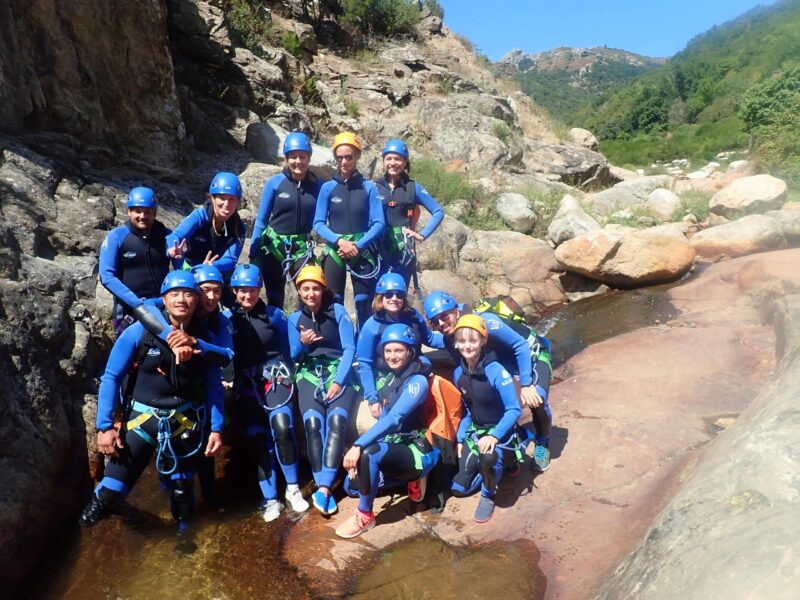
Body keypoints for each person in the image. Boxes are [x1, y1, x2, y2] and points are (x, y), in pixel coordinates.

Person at [79, 271, 225, 532]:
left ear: (197, 300)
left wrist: (216, 428)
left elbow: (214, 385)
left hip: (182, 423)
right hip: (141, 423)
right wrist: (104, 427)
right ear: (164, 299)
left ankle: (184, 551)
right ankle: (84, 538)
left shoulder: (204, 340)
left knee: (183, 499)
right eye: (174, 294)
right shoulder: (139, 332)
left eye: (189, 294)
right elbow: (112, 377)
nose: (182, 300)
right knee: (109, 495)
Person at [424, 290, 553, 471]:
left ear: (455, 311)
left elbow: (520, 345)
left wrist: (526, 384)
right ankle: (517, 436)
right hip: (506, 364)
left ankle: (542, 444)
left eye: (444, 316)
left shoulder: (486, 321)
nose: (441, 323)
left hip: (532, 354)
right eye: (434, 322)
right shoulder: (449, 339)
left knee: (536, 400)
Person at [336, 324, 440, 538]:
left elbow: (394, 419)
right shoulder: (390, 379)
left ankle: (365, 516)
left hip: (416, 451)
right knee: (352, 486)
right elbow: (384, 420)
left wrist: (358, 446)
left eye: (399, 350)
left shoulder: (417, 381)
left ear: (410, 351)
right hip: (394, 448)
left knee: (369, 454)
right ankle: (407, 482)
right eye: (388, 350)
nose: (392, 356)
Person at [228, 264, 309, 521]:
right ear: (234, 291)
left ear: (259, 289)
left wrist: (297, 361)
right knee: (257, 437)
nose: (247, 296)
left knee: (282, 427)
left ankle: (293, 489)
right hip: (247, 384)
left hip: (276, 378)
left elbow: (289, 350)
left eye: (251, 290)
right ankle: (270, 497)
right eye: (242, 291)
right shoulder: (228, 320)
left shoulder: (274, 315)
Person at [287, 265, 358, 515]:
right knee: (313, 425)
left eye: (315, 288)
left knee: (337, 421)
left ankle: (324, 489)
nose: (311, 294)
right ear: (299, 291)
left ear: (323, 289)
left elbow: (350, 348)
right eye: (305, 289)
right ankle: (322, 483)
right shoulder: (295, 319)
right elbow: (291, 356)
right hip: (308, 374)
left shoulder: (337, 312)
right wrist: (303, 344)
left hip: (338, 372)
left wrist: (339, 381)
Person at [449, 315, 521, 523]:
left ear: (483, 340)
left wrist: (494, 436)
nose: (467, 346)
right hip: (476, 433)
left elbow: (514, 410)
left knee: (488, 457)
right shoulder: (458, 374)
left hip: (502, 434)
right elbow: (467, 410)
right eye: (462, 341)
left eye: (473, 340)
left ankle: (488, 493)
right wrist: (461, 438)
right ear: (456, 343)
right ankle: (494, 471)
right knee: (458, 488)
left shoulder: (496, 371)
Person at [313, 132, 385, 329]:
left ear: (357, 157)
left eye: (349, 157)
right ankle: (339, 346)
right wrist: (341, 242)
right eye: (340, 157)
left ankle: (363, 345)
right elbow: (318, 223)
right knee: (334, 302)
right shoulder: (328, 188)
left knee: (363, 302)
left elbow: (379, 223)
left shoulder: (369, 187)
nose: (344, 161)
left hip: (362, 250)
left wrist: (359, 245)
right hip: (336, 250)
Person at [249, 132, 323, 308]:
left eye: (302, 157)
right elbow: (261, 221)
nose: (298, 161)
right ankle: (278, 333)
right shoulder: (274, 183)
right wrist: (254, 255)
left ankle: (303, 332)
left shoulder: (318, 186)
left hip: (302, 249)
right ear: (286, 158)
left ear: (309, 157)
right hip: (274, 247)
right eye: (293, 157)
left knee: (308, 294)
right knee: (274, 298)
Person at [356, 272, 442, 417]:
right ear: (380, 297)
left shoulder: (413, 317)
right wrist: (372, 398)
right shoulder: (372, 326)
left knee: (423, 365)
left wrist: (456, 338)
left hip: (415, 368)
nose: (394, 299)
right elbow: (364, 363)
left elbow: (430, 339)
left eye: (399, 295)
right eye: (388, 295)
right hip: (387, 373)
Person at [99, 186, 171, 336]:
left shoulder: (167, 235)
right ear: (129, 211)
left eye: (147, 211)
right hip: (129, 311)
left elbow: (182, 267)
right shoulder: (117, 236)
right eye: (137, 211)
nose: (142, 216)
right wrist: (137, 303)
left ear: (155, 212)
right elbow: (106, 276)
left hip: (164, 307)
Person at [167, 172, 246, 306]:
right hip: (191, 269)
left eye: (232, 199)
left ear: (238, 202)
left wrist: (211, 266)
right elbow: (175, 236)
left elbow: (231, 259)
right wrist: (172, 249)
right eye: (222, 198)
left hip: (218, 270)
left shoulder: (238, 226)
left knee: (239, 300)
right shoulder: (199, 216)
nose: (227, 204)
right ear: (213, 198)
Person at [191, 264, 235, 507]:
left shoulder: (219, 321)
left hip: (204, 385)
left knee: (203, 444)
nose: (211, 297)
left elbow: (227, 354)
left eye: (217, 291)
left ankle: (208, 495)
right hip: (173, 389)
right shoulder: (176, 314)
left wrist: (196, 343)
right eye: (205, 290)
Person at [375, 139, 444, 288]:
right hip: (378, 247)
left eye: (397, 159)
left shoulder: (414, 188)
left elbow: (438, 211)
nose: (392, 163)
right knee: (378, 294)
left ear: (405, 162)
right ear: (383, 161)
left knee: (398, 294)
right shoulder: (375, 187)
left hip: (403, 249)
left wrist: (422, 235)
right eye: (388, 158)